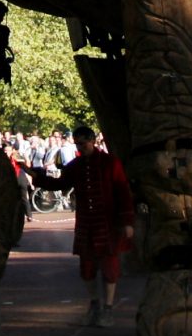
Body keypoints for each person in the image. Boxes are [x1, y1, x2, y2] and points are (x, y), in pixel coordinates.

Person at [31, 126, 134, 325]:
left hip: (108, 223)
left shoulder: (110, 163)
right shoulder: (76, 165)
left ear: (93, 141)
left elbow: (123, 192)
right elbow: (59, 184)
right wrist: (39, 178)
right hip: (86, 223)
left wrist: (127, 221)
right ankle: (94, 304)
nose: (80, 147)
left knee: (110, 268)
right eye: (77, 144)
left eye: (83, 143)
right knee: (87, 268)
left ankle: (108, 308)